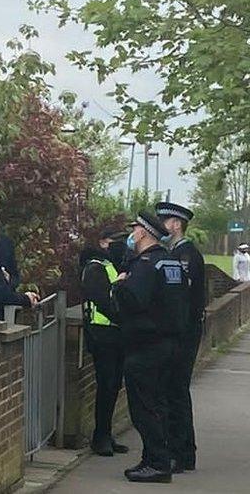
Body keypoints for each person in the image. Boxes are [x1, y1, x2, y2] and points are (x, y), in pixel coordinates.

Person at [111, 211, 189, 483]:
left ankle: (157, 463)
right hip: (170, 343)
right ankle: (155, 458)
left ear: (143, 233)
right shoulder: (172, 263)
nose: (132, 234)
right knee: (159, 403)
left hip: (146, 346)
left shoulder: (145, 265)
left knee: (144, 407)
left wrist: (119, 286)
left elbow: (134, 300)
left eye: (134, 230)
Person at [157, 202, 205, 472]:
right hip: (181, 331)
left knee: (175, 391)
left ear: (176, 224)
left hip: (183, 332)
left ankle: (180, 451)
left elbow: (182, 297)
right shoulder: (176, 252)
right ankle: (182, 451)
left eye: (164, 222)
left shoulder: (185, 255)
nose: (161, 226)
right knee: (174, 391)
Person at [79, 228, 130, 457]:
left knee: (113, 386)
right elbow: (103, 300)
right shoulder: (95, 266)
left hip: (115, 334)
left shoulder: (113, 265)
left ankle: (106, 434)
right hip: (101, 334)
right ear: (101, 242)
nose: (119, 245)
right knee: (106, 385)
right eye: (114, 241)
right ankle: (100, 437)